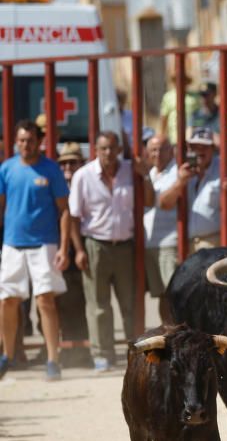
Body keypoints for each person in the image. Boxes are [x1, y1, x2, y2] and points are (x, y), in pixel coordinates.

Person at [69, 130, 154, 371]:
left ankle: (133, 351)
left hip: (125, 246)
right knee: (98, 305)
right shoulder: (83, 176)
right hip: (96, 244)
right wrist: (78, 250)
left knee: (129, 302)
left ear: (119, 150)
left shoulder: (131, 170)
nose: (108, 153)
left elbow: (149, 201)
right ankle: (102, 354)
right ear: (96, 150)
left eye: (112, 148)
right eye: (103, 148)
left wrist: (144, 175)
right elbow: (74, 217)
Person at [0, 121, 72, 380]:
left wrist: (64, 247)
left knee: (46, 301)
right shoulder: (6, 169)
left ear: (38, 141)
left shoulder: (51, 169)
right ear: (15, 142)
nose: (25, 145)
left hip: (44, 243)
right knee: (7, 301)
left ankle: (53, 359)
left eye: (30, 140)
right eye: (21, 140)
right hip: (12, 243)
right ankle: (7, 355)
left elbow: (64, 210)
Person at [160, 127, 227, 253]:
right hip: (192, 245)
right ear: (189, 148)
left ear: (213, 149)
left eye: (204, 147)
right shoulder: (182, 170)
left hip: (224, 240)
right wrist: (180, 183)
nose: (200, 151)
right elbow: (164, 204)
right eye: (195, 146)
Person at [53, 142, 89, 366]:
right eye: (64, 163)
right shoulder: (56, 186)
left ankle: (84, 350)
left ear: (81, 163)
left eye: (73, 162)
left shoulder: (86, 183)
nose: (68, 167)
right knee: (58, 302)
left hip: (84, 251)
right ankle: (62, 348)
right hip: (57, 251)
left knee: (85, 301)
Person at [143, 134, 179, 324]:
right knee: (162, 296)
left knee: (173, 295)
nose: (157, 154)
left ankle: (176, 336)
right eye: (153, 150)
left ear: (171, 150)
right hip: (151, 243)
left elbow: (162, 202)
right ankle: (168, 334)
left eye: (162, 149)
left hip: (169, 242)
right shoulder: (150, 173)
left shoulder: (177, 172)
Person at [159, 69, 198, 144]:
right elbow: (164, 117)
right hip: (174, 137)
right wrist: (162, 134)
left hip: (192, 137)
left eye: (183, 80)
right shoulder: (168, 97)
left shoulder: (194, 97)